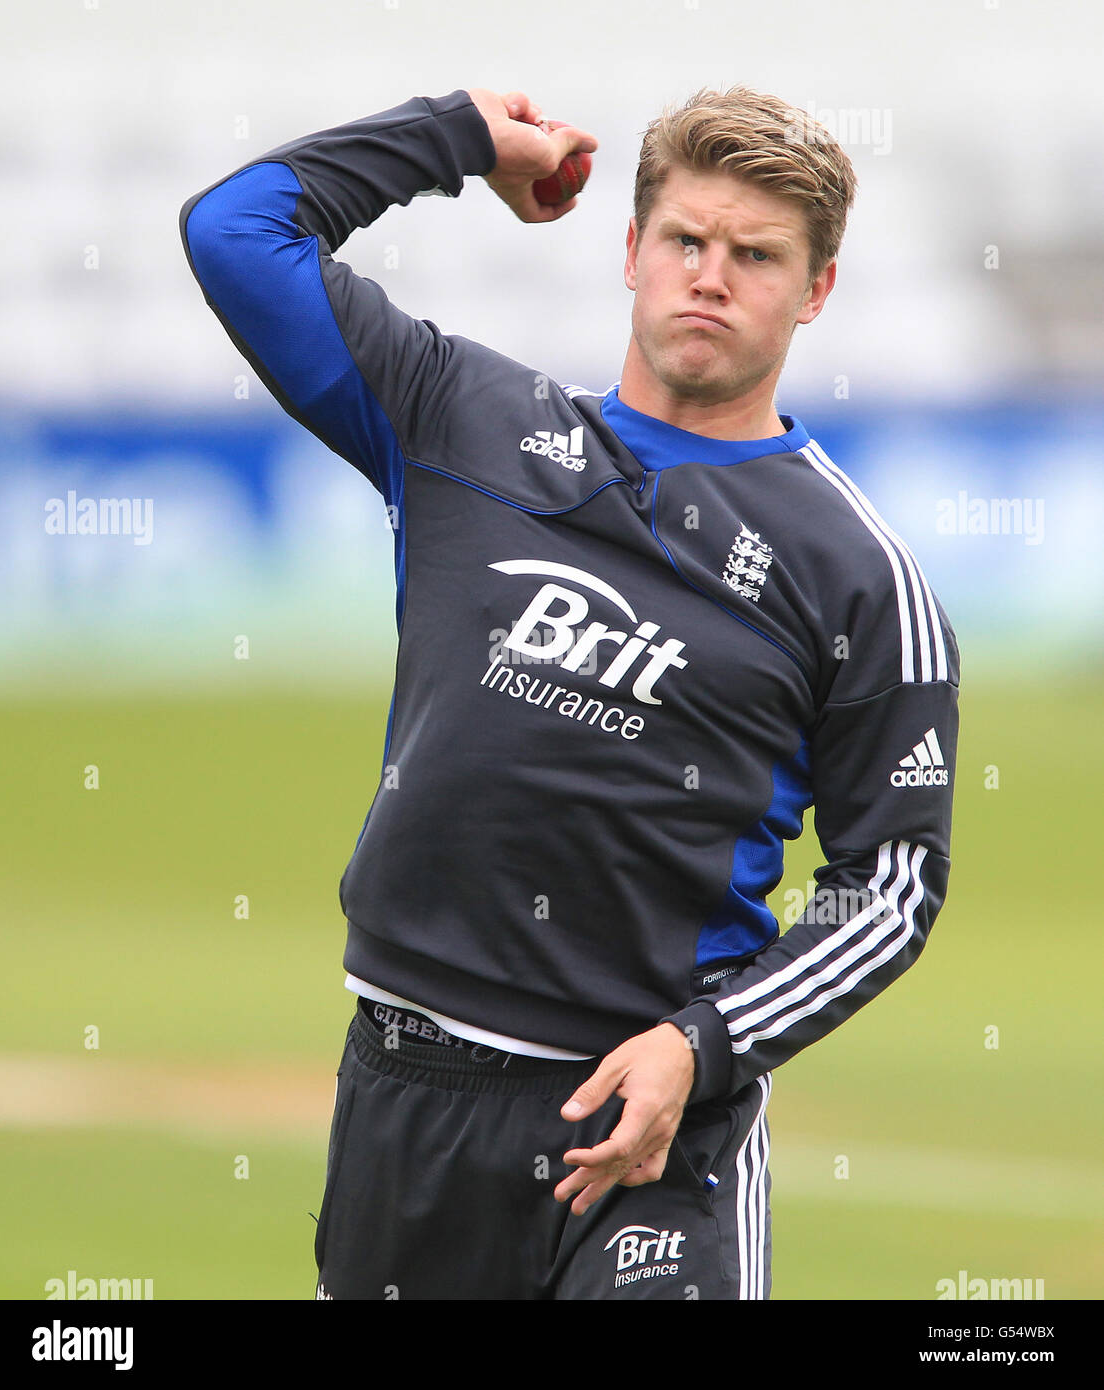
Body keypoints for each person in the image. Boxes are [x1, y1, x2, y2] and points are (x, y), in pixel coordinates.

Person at [179, 84, 959, 1300]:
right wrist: (460, 140)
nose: (711, 276)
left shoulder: (858, 576)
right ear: (631, 250)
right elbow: (236, 233)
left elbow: (892, 884)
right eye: (686, 241)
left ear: (814, 294)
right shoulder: (461, 421)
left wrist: (706, 1048)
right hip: (403, 1101)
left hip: (647, 1120)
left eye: (756, 256)